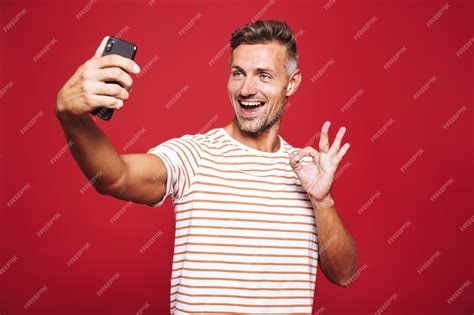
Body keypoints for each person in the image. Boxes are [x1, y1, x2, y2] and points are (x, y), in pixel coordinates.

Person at [56, 19, 357, 315]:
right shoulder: (194, 155)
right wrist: (72, 117)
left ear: (292, 83)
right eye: (238, 73)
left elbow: (344, 275)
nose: (246, 89)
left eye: (263, 75)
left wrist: (322, 200)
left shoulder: (304, 173)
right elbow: (115, 177)